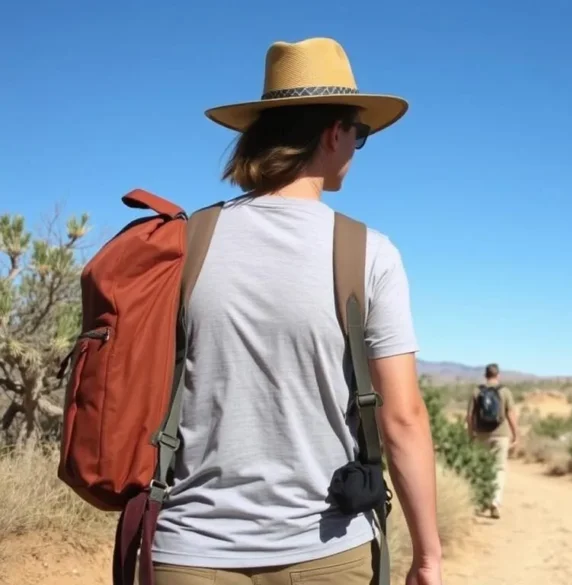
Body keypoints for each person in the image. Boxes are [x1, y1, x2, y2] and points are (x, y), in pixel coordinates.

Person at [150, 38, 443, 585]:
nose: (358, 146)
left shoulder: (186, 243)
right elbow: (401, 418)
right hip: (327, 552)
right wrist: (427, 555)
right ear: (335, 133)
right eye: (361, 133)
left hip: (187, 551)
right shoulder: (368, 253)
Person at [465, 363, 519, 518]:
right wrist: (516, 434)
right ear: (498, 375)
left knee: (482, 467)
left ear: (485, 375)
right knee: (499, 468)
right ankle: (495, 502)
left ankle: (481, 501)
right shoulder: (505, 392)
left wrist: (471, 434)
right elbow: (511, 415)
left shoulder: (477, 391)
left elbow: (470, 416)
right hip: (501, 435)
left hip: (481, 434)